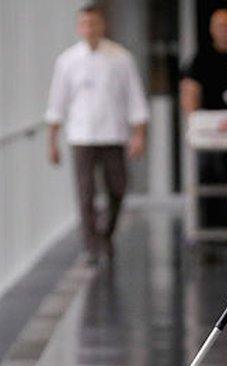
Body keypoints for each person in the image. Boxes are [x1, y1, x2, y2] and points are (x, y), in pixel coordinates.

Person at [45, 3, 149, 264]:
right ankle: (91, 246)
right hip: (81, 136)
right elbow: (57, 103)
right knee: (86, 192)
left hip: (113, 134)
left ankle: (106, 234)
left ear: (102, 25)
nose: (89, 28)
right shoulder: (67, 61)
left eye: (93, 23)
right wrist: (52, 141)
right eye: (84, 24)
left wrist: (139, 134)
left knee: (118, 188)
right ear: (79, 27)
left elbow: (135, 98)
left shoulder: (121, 58)